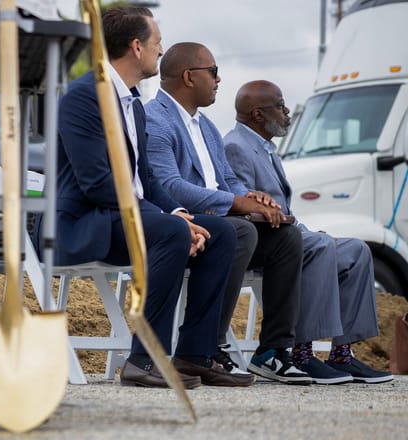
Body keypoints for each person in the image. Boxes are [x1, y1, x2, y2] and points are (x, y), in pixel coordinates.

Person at [51, 7, 253, 387]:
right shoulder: (84, 97)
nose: (162, 52)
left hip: (126, 218)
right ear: (137, 46)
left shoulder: (133, 106)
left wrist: (179, 212)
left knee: (224, 232)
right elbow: (96, 184)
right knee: (170, 232)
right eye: (158, 43)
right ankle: (144, 360)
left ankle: (194, 355)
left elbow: (146, 181)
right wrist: (171, 221)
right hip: (85, 222)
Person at [145, 42, 312, 385]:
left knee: (286, 238)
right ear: (190, 77)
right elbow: (168, 186)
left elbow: (227, 180)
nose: (220, 80)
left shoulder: (205, 126)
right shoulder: (155, 120)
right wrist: (236, 204)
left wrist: (252, 197)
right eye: (214, 72)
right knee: (239, 230)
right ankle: (205, 347)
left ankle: (273, 351)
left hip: (221, 227)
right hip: (182, 227)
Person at [223, 79, 394, 384]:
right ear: (258, 114)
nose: (287, 111)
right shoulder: (236, 145)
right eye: (279, 105)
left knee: (357, 250)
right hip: (264, 243)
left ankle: (342, 355)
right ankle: (300, 353)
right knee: (320, 246)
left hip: (289, 233)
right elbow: (241, 202)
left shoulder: (265, 147)